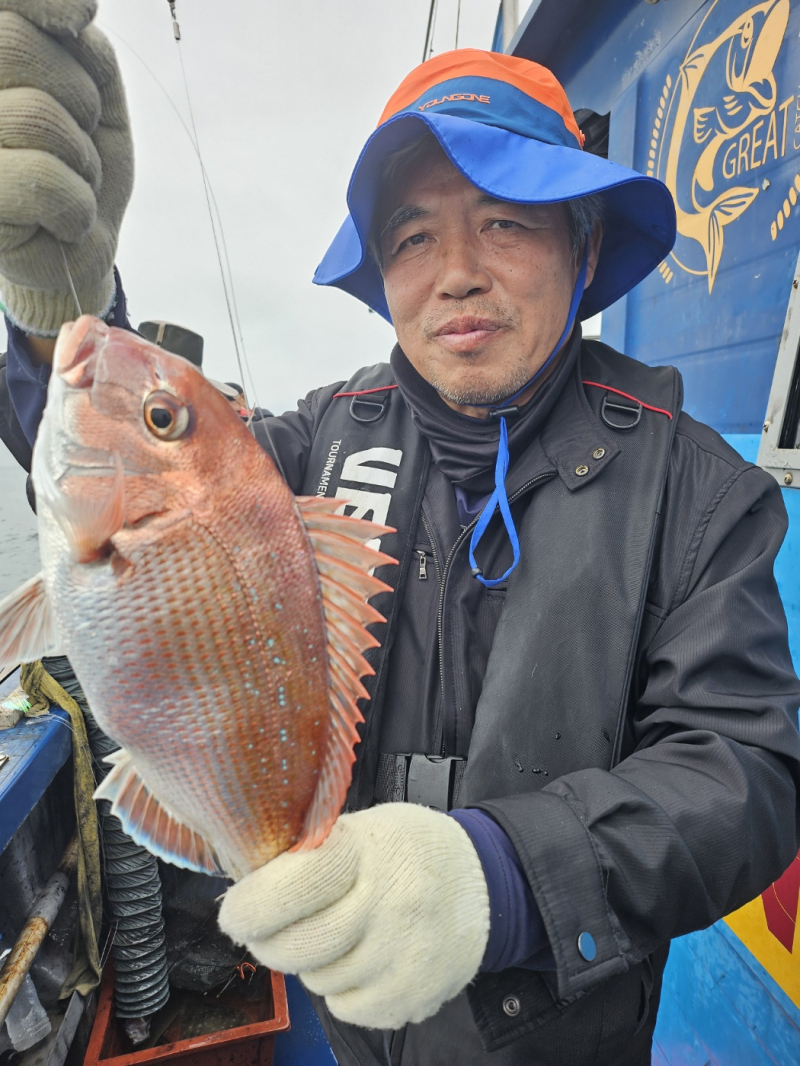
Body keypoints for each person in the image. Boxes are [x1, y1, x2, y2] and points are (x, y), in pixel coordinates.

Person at [0, 5, 799, 1064]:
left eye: (506, 220)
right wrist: (57, 300)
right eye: (412, 235)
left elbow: (745, 770)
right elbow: (135, 489)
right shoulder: (305, 443)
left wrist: (502, 877)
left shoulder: (702, 491)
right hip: (354, 1025)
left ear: (584, 239)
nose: (455, 271)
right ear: (381, 275)